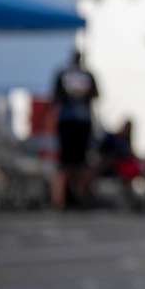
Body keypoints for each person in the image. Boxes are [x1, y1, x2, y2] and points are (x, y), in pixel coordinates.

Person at [51, 49, 100, 210]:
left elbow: (55, 98)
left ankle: (60, 201)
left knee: (65, 165)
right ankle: (80, 199)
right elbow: (96, 95)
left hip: (66, 122)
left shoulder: (63, 74)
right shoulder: (87, 75)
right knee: (81, 164)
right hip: (82, 122)